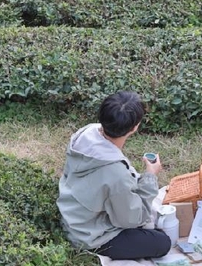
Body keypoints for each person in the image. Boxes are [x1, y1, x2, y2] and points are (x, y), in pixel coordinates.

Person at [57, 90, 172, 260]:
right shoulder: (116, 174)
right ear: (135, 127)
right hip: (89, 236)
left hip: (72, 216)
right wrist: (150, 176)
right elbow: (130, 220)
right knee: (162, 243)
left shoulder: (85, 133)